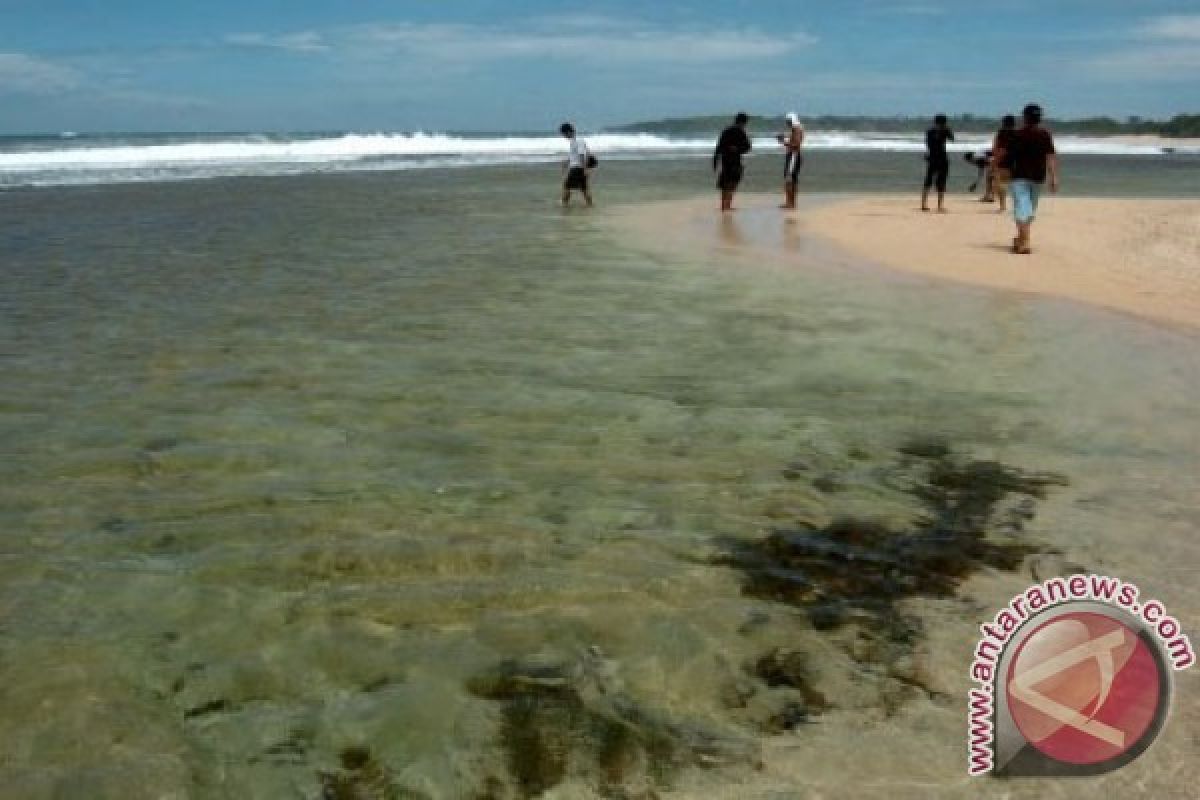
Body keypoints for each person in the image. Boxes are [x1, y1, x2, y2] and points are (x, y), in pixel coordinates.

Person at [1004, 104, 1058, 254]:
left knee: (1024, 210)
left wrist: (1000, 169)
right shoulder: (1045, 134)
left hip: (1019, 176)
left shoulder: (1017, 134)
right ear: (1039, 118)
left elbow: (1009, 156)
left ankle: (1023, 240)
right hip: (1037, 177)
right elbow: (1050, 157)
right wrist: (1053, 178)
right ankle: (1023, 240)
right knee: (1028, 210)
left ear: (1025, 117)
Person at [713, 112, 752, 212]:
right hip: (735, 161)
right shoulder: (741, 131)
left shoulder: (726, 130)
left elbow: (718, 147)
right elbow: (748, 148)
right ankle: (727, 206)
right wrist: (738, 149)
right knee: (733, 183)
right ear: (744, 122)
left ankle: (724, 206)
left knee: (725, 183)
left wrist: (715, 161)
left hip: (725, 161)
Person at [920, 114, 954, 212]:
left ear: (935, 121)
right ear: (944, 123)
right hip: (941, 158)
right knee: (940, 181)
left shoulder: (930, 131)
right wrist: (945, 131)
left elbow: (928, 144)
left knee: (929, 181)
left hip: (932, 158)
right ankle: (939, 206)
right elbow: (952, 139)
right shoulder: (944, 131)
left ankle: (924, 204)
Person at [559, 122, 593, 207]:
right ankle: (590, 205)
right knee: (584, 189)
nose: (564, 136)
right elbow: (585, 153)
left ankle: (564, 204)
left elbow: (582, 155)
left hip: (577, 168)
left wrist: (585, 169)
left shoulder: (578, 141)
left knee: (567, 186)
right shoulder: (574, 141)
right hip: (578, 167)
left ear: (568, 131)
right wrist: (566, 162)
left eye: (564, 134)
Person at [776, 112, 805, 209]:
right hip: (795, 155)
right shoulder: (798, 128)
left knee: (789, 179)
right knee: (792, 179)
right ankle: (791, 202)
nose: (787, 123)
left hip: (794, 155)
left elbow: (796, 144)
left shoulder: (796, 129)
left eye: (788, 121)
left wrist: (783, 142)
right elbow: (795, 142)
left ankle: (790, 202)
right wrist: (785, 140)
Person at [989, 115, 1018, 212]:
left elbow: (1000, 149)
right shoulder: (1018, 133)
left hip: (1004, 161)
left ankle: (1002, 206)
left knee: (1000, 183)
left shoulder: (1002, 133)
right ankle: (1018, 205)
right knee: (1015, 184)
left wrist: (995, 161)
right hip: (1016, 161)